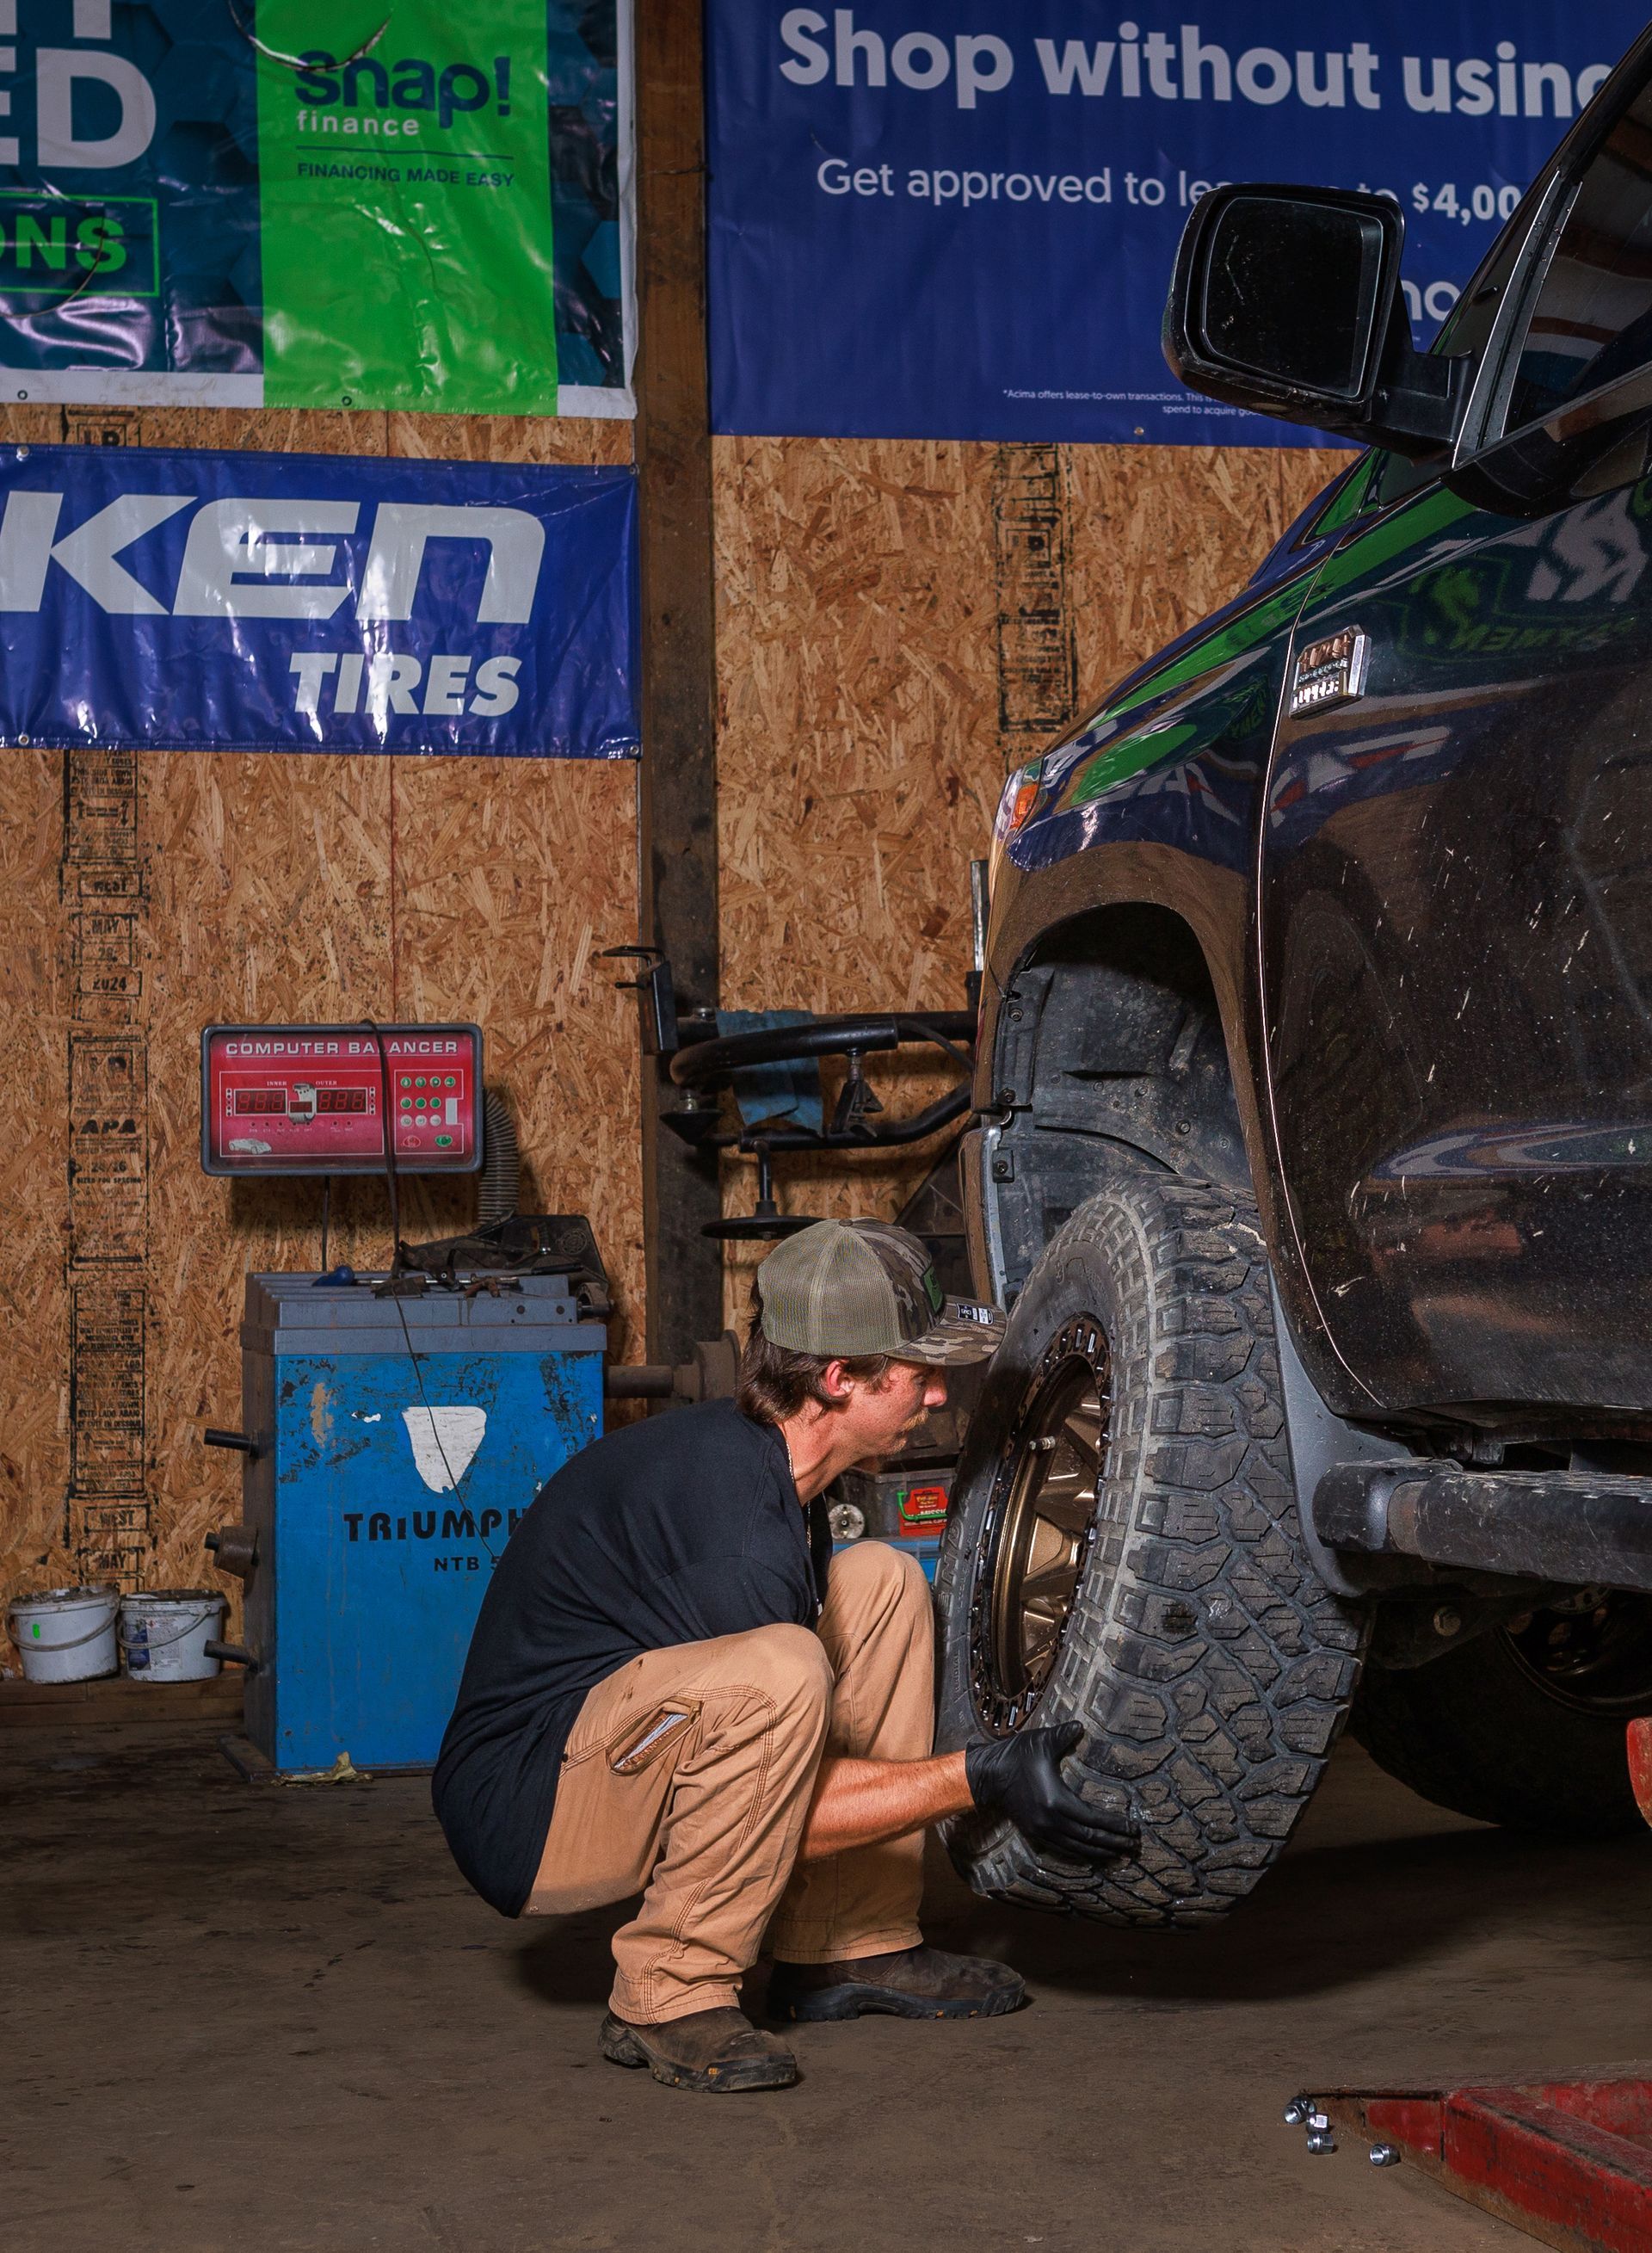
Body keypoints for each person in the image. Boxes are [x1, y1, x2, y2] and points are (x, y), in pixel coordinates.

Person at [433, 1217, 1137, 2092]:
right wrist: (978, 1776)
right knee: (781, 1671)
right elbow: (780, 1795)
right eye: (919, 1376)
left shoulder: (767, 1464)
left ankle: (846, 1946)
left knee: (880, 1579)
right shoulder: (737, 1525)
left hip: (605, 1741)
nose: (935, 1398)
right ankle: (668, 1991)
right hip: (528, 1809)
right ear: (841, 1378)